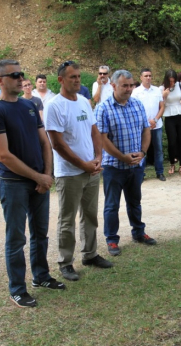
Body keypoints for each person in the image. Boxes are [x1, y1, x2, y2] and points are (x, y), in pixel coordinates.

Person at [0, 59, 65, 309]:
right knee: (16, 238)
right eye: (14, 75)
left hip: (39, 181)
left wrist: (47, 174)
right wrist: (38, 177)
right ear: (0, 80)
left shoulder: (30, 105)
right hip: (14, 183)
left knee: (41, 233)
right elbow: (3, 155)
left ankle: (41, 276)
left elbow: (45, 142)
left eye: (21, 74)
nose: (20, 78)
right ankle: (17, 289)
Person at [46, 60, 113, 282]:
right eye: (72, 77)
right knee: (67, 219)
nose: (76, 80)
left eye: (78, 76)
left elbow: (94, 132)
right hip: (69, 173)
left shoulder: (84, 101)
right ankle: (65, 263)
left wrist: (97, 157)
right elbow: (57, 144)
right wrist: (82, 164)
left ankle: (90, 254)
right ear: (61, 80)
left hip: (91, 169)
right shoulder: (54, 106)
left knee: (90, 215)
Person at [95, 69, 155, 257]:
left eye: (131, 85)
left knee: (135, 201)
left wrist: (143, 152)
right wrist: (122, 157)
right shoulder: (103, 108)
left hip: (136, 165)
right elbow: (102, 140)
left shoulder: (137, 104)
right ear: (113, 86)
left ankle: (138, 232)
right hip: (114, 166)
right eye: (125, 86)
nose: (129, 89)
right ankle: (112, 240)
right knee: (112, 205)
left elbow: (146, 130)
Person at [131, 68, 166, 181]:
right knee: (142, 150)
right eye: (146, 76)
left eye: (150, 75)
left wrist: (155, 120)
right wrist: (146, 122)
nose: (148, 78)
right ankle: (141, 173)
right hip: (142, 126)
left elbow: (162, 107)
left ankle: (160, 172)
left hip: (157, 125)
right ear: (141, 77)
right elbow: (134, 109)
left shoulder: (156, 90)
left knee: (158, 149)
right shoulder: (136, 92)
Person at [160, 69, 181, 176]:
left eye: (173, 81)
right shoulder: (161, 88)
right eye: (170, 81)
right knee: (172, 141)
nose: (172, 83)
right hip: (169, 115)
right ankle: (172, 164)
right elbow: (159, 104)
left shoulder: (180, 85)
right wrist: (163, 95)